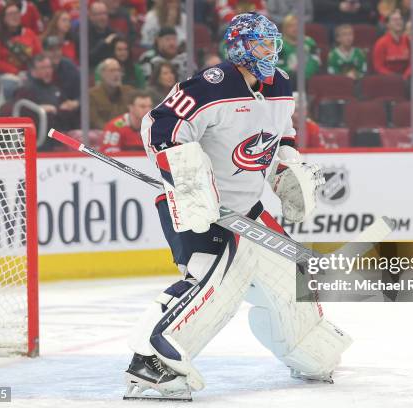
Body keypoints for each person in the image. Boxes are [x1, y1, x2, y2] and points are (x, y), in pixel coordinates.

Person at [126, 13, 349, 401]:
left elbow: (284, 133)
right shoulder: (210, 86)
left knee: (290, 271)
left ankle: (306, 346)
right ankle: (152, 364)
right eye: (263, 43)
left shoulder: (279, 84)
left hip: (247, 211)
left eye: (273, 42)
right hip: (201, 209)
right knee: (211, 286)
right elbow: (158, 127)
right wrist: (190, 180)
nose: (272, 51)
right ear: (242, 48)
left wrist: (287, 166)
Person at [17, 54, 79, 131]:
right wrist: (38, 109)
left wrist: (71, 106)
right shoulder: (25, 90)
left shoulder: (55, 89)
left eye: (49, 67)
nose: (48, 71)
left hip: (63, 132)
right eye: (43, 68)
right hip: (41, 135)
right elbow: (19, 111)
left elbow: (65, 109)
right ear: (33, 71)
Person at [89, 58, 135, 129]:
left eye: (118, 70)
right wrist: (111, 130)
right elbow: (95, 120)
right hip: (103, 133)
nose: (116, 74)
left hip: (127, 132)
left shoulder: (129, 91)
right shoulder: (92, 94)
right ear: (102, 74)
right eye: (112, 70)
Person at [276, 14, 321, 87]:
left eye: (297, 25)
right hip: (286, 80)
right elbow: (276, 67)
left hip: (307, 78)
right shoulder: (278, 44)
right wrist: (291, 70)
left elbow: (315, 61)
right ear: (285, 28)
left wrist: (304, 75)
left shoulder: (310, 42)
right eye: (291, 26)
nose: (295, 28)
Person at [72, 1, 118, 68]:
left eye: (105, 13)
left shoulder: (112, 32)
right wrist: (104, 43)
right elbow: (87, 59)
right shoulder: (82, 33)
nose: (103, 18)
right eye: (99, 14)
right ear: (90, 16)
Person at [372, 9, 410, 79]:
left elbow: (412, 63)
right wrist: (394, 77)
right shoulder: (381, 43)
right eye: (395, 20)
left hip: (406, 79)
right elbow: (378, 67)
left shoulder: (408, 40)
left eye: (400, 19)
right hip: (388, 80)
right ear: (388, 24)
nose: (398, 22)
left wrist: (405, 76)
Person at [42, 36, 80, 103]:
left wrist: (76, 102)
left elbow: (82, 94)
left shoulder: (69, 66)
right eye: (51, 50)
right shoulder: (38, 68)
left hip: (69, 109)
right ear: (43, 52)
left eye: (58, 49)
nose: (56, 53)